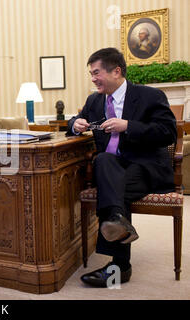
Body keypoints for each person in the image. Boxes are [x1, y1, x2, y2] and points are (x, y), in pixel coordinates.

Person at [67, 48, 176, 287]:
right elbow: (73, 121)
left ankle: (119, 263)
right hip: (112, 167)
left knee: (114, 189)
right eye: (91, 73)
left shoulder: (150, 95)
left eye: (96, 73)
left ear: (116, 71)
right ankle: (118, 230)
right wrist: (76, 124)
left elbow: (168, 132)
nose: (93, 78)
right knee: (104, 160)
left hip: (145, 168)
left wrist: (128, 126)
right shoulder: (94, 100)